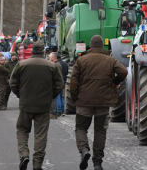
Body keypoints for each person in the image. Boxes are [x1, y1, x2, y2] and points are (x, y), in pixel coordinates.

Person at [70, 35, 127, 170]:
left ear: (91, 45)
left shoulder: (81, 60)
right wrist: (115, 82)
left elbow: (73, 81)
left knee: (81, 128)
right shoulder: (110, 60)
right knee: (100, 131)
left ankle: (84, 150)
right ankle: (97, 163)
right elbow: (124, 71)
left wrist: (75, 98)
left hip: (84, 101)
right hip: (103, 102)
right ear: (102, 46)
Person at [10, 41, 63, 170]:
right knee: (41, 135)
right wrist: (51, 96)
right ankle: (37, 164)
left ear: (32, 51)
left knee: (22, 129)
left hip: (26, 104)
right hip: (43, 106)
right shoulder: (52, 66)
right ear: (43, 52)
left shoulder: (21, 64)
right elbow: (59, 84)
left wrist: (20, 95)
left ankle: (24, 154)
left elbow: (13, 83)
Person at [48, 52, 60, 119]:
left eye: (50, 57)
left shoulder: (56, 65)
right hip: (55, 84)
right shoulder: (55, 64)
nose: (49, 58)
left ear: (54, 58)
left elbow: (58, 77)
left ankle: (53, 113)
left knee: (54, 99)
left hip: (54, 85)